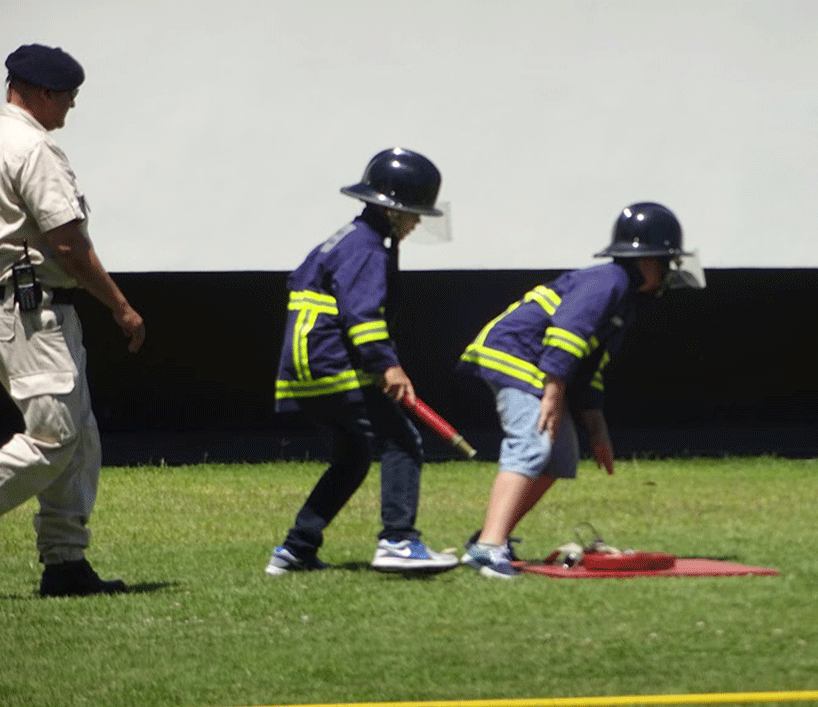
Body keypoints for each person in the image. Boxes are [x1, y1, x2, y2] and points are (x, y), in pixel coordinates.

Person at [456, 202, 705, 578]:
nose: (669, 272)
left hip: (538, 365)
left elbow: (590, 366)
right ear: (647, 260)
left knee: (559, 456)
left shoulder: (625, 298)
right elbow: (566, 334)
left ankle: (495, 535)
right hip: (516, 356)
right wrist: (553, 394)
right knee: (532, 443)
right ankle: (487, 550)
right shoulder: (609, 282)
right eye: (667, 261)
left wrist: (596, 426)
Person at [266, 148, 458, 575]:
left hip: (306, 371)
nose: (417, 222)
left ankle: (295, 549)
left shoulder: (349, 238)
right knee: (403, 441)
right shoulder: (366, 247)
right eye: (412, 213)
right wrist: (387, 366)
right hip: (335, 367)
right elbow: (362, 316)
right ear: (391, 210)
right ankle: (398, 541)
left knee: (353, 456)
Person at [0, 44, 146, 596]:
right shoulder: (32, 147)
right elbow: (66, 241)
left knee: (78, 439)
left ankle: (65, 565)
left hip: (21, 307)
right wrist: (120, 304)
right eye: (68, 98)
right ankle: (64, 560)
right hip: (30, 311)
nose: (71, 109)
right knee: (54, 438)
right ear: (40, 94)